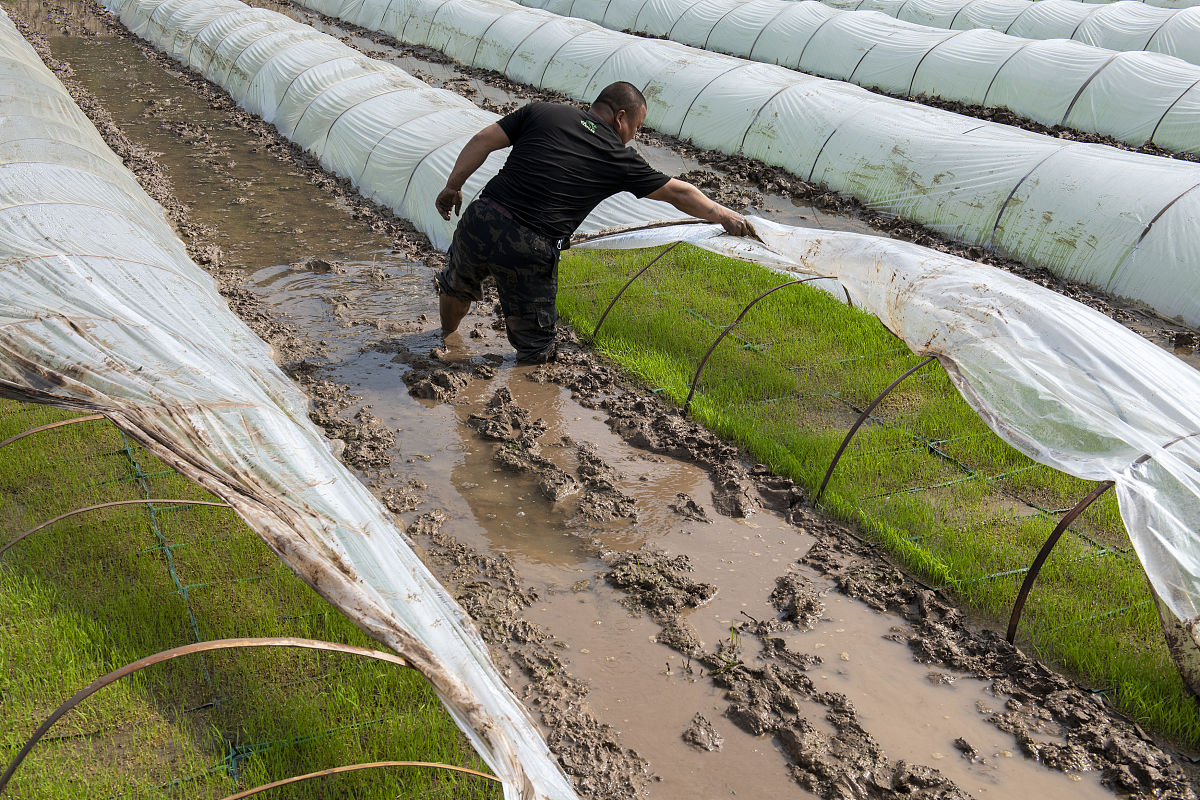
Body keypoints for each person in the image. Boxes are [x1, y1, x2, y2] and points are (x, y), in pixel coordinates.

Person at [433, 80, 755, 364]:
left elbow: (482, 139)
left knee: (457, 285)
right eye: (637, 128)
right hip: (530, 244)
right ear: (621, 118)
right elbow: (678, 193)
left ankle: (446, 340)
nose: (634, 136)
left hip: (483, 215)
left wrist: (452, 186)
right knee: (536, 349)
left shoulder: (543, 111)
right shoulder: (618, 157)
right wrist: (725, 215)